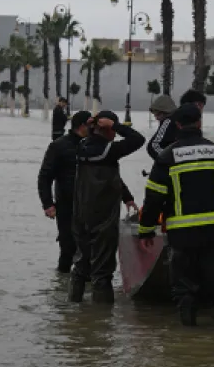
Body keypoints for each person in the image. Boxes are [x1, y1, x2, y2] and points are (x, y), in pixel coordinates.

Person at [138, 103, 214, 326]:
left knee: (184, 284)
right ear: (199, 122)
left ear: (177, 124)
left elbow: (154, 198)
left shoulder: (167, 156)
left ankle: (188, 331)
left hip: (181, 232)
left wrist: (145, 231)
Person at [38, 110, 138, 273]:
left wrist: (127, 197)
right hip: (67, 205)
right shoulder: (59, 146)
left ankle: (84, 282)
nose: (95, 128)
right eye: (92, 125)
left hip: (93, 206)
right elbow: (45, 176)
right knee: (68, 248)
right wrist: (47, 204)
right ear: (82, 126)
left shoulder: (96, 147)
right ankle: (64, 282)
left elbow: (109, 175)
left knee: (91, 250)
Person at [68, 111, 145, 304]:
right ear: (107, 129)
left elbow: (107, 174)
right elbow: (138, 139)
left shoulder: (82, 146)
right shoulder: (109, 150)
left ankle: (73, 310)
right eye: (113, 130)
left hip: (80, 215)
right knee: (102, 271)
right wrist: (115, 125)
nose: (115, 134)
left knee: (80, 266)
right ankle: (101, 316)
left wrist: (127, 197)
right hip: (103, 217)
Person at [147, 95, 178, 160]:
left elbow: (153, 146)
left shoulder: (167, 122)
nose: (156, 118)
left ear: (166, 112)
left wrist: (167, 160)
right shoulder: (180, 120)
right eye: (155, 115)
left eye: (158, 114)